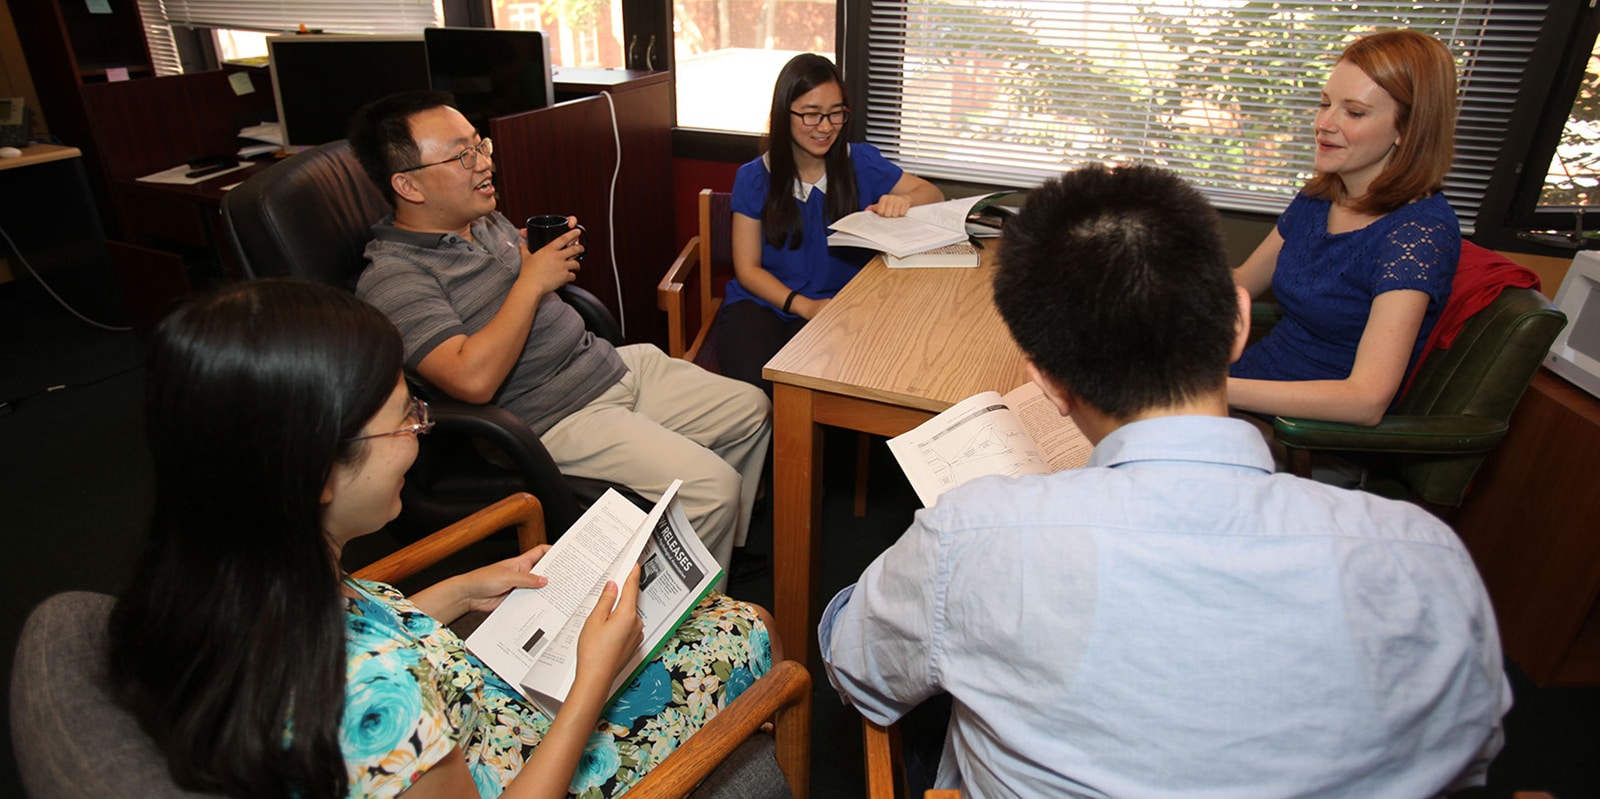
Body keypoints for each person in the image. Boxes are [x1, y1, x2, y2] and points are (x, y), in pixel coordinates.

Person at [819, 164, 1510, 797]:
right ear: (1238, 324)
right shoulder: (1429, 560)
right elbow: (1468, 753)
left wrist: (900, 585)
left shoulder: (968, 536)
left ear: (1047, 381)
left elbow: (859, 674)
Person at [107, 279, 778, 799]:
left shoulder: (231, 576)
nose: (420, 433)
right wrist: (591, 681)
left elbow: (358, 629)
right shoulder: (373, 701)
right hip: (525, 763)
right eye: (406, 418)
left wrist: (463, 586)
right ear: (317, 469)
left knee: (721, 621)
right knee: (748, 627)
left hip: (463, 707)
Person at [1229, 29, 1462, 426]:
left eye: (1353, 112)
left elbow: (1365, 400)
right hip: (1245, 391)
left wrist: (1206, 388)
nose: (1324, 123)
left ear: (1407, 128)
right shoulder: (1319, 196)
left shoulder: (1417, 234)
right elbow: (1242, 282)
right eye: (1325, 104)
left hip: (1305, 434)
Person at [718, 53, 943, 393]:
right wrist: (805, 306)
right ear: (785, 114)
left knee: (837, 392)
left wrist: (905, 200)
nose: (825, 127)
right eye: (811, 114)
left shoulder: (861, 162)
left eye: (836, 113)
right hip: (763, 305)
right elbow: (747, 269)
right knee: (756, 393)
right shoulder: (753, 177)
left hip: (841, 307)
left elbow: (931, 193)